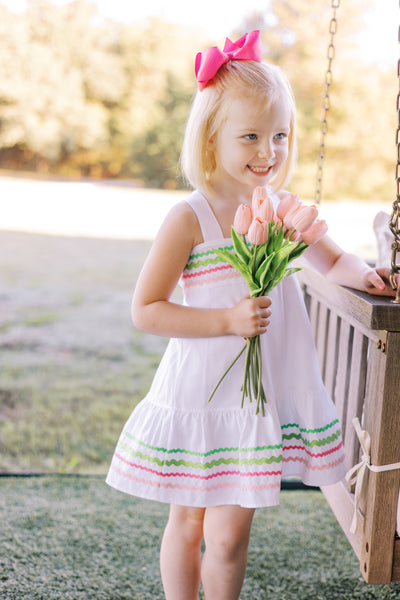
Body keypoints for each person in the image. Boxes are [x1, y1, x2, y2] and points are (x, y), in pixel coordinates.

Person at [106, 30, 396, 600]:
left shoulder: (282, 208)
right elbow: (147, 310)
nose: (270, 152)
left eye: (281, 136)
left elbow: (331, 258)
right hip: (200, 395)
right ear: (212, 138)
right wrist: (226, 321)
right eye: (251, 136)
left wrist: (362, 273)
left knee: (232, 534)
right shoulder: (188, 218)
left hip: (252, 406)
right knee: (188, 523)